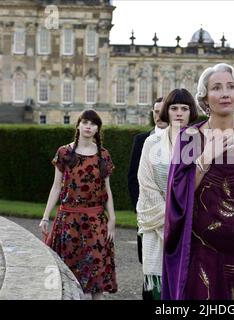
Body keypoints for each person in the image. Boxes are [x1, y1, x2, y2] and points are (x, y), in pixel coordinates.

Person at [161, 63, 234, 300]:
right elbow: (177, 196)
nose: (225, 93)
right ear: (205, 98)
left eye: (231, 87)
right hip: (200, 254)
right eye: (216, 88)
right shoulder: (189, 138)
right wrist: (206, 158)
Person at [39, 109, 117, 300]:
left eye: (93, 123)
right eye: (85, 122)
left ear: (98, 128)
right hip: (68, 221)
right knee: (69, 274)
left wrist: (112, 219)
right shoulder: (64, 153)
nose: (89, 126)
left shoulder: (103, 155)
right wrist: (45, 215)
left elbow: (107, 189)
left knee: (96, 273)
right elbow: (56, 187)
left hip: (95, 220)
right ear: (78, 125)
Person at [136, 88, 198, 300]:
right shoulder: (151, 142)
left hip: (190, 227)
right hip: (157, 226)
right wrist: (171, 217)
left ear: (191, 112)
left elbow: (201, 184)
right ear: (166, 111)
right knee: (158, 291)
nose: (179, 112)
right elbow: (146, 184)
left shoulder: (199, 141)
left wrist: (182, 219)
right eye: (174, 108)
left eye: (184, 108)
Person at [127, 97, 168, 273]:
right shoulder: (142, 139)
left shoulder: (186, 139)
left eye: (162, 111)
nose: (159, 115)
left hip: (173, 212)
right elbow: (132, 177)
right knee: (149, 265)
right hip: (148, 212)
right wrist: (141, 208)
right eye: (155, 111)